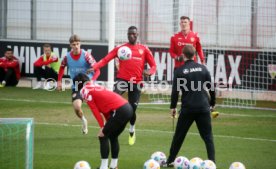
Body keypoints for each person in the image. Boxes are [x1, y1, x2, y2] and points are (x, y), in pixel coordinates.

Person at [88, 26, 156, 145]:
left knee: (131, 110)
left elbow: (154, 66)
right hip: (122, 81)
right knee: (111, 102)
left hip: (137, 83)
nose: (131, 36)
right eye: (129, 34)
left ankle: (132, 128)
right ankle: (109, 129)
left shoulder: (144, 49)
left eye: (134, 34)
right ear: (127, 35)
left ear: (137, 35)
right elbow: (105, 59)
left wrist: (149, 72)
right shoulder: (120, 49)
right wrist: (94, 67)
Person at [162, 45, 216, 167]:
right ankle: (212, 163)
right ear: (195, 55)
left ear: (183, 54)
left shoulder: (179, 71)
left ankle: (170, 160)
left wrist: (173, 107)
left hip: (188, 109)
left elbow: (175, 91)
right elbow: (211, 88)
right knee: (208, 137)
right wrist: (212, 103)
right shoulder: (203, 68)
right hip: (203, 107)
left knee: (179, 136)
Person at [73, 73, 133, 169]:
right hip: (128, 108)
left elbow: (94, 110)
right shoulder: (95, 86)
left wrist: (102, 127)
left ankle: (103, 167)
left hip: (120, 110)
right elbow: (105, 108)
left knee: (102, 136)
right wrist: (106, 124)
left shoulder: (84, 90)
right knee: (113, 136)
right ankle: (113, 166)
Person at [57, 34, 100, 134]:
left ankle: (105, 126)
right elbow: (62, 67)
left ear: (80, 44)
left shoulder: (86, 56)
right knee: (77, 107)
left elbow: (98, 70)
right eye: (73, 44)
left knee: (100, 108)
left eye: (77, 44)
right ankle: (84, 121)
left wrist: (91, 82)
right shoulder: (67, 57)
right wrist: (59, 81)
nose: (76, 46)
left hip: (90, 86)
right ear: (70, 46)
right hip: (77, 86)